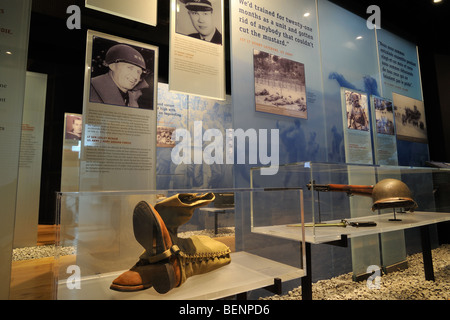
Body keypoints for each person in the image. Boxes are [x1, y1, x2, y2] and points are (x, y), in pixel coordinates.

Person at [90, 43, 153, 109]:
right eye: (130, 68)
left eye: (138, 72)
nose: (135, 76)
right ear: (112, 66)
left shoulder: (133, 98)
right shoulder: (92, 88)